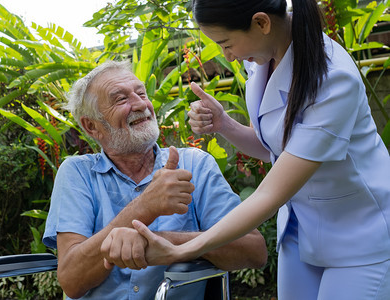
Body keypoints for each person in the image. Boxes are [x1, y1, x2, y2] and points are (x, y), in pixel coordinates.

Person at [102, 0, 390, 299]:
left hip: (358, 235)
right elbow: (277, 150)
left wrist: (181, 250)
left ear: (262, 23)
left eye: (226, 43)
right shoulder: (262, 58)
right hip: (301, 231)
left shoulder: (333, 79)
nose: (228, 56)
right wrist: (223, 124)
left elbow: (270, 193)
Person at [42, 60, 267, 300]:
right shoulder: (77, 173)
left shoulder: (195, 165)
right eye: (121, 99)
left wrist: (167, 243)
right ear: (91, 126)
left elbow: (254, 250)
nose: (140, 104)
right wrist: (145, 206)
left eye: (141, 93)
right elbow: (72, 281)